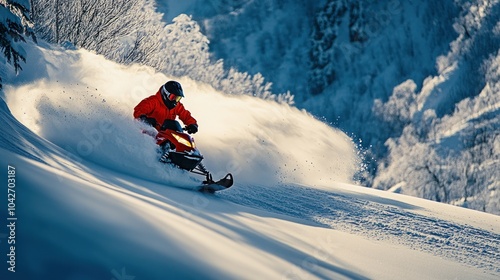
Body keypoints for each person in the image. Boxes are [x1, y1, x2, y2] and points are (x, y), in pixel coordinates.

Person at [133, 81, 198, 134]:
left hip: (167, 135)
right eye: (173, 97)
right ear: (165, 94)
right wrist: (144, 118)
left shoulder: (177, 106)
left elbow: (185, 115)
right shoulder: (153, 101)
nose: (175, 100)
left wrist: (192, 124)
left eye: (178, 98)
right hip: (150, 133)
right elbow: (139, 110)